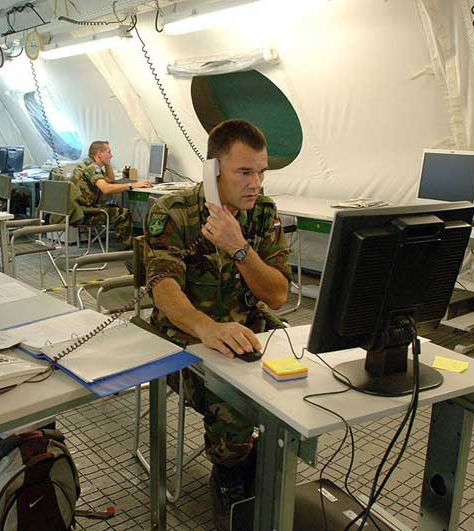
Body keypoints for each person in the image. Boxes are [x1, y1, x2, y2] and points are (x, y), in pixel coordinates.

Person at [143, 119, 291, 530]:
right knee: (234, 408)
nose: (256, 183)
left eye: (261, 172)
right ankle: (228, 474)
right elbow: (163, 286)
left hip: (245, 332)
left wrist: (239, 247)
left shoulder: (263, 213)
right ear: (213, 170)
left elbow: (277, 295)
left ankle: (256, 460)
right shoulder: (173, 213)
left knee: (298, 382)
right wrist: (207, 327)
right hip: (184, 338)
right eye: (244, 172)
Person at [70, 141, 151, 249]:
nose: (111, 155)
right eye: (108, 152)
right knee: (123, 213)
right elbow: (106, 189)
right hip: (83, 213)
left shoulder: (88, 163)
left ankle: (128, 245)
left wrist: (107, 163)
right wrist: (132, 185)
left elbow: (110, 179)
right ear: (99, 154)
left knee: (115, 207)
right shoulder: (91, 167)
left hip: (78, 210)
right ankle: (130, 250)